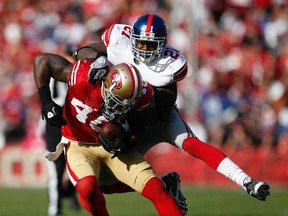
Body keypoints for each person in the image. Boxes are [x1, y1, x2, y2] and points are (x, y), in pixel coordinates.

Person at [74, 13, 270, 206]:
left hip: (154, 117)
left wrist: (125, 123)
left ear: (162, 44)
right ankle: (167, 184)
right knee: (104, 183)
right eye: (140, 43)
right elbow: (85, 50)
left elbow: (161, 111)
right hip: (127, 119)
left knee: (193, 144)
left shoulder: (170, 66)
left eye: (150, 45)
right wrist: (97, 58)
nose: (144, 49)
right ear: (131, 38)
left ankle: (247, 182)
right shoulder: (118, 40)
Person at [33, 51, 184, 216]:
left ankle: (165, 185)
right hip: (78, 144)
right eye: (116, 101)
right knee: (87, 186)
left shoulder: (139, 94)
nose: (120, 108)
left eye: (127, 104)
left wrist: (129, 139)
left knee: (156, 188)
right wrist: (46, 103)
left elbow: (142, 123)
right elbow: (42, 60)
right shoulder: (83, 76)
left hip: (112, 148)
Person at [39, 44, 80, 216]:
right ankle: (54, 209)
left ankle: (69, 196)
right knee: (56, 169)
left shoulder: (77, 72)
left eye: (73, 56)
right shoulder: (62, 73)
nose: (71, 59)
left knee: (75, 166)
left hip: (70, 121)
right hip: (56, 122)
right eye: (69, 55)